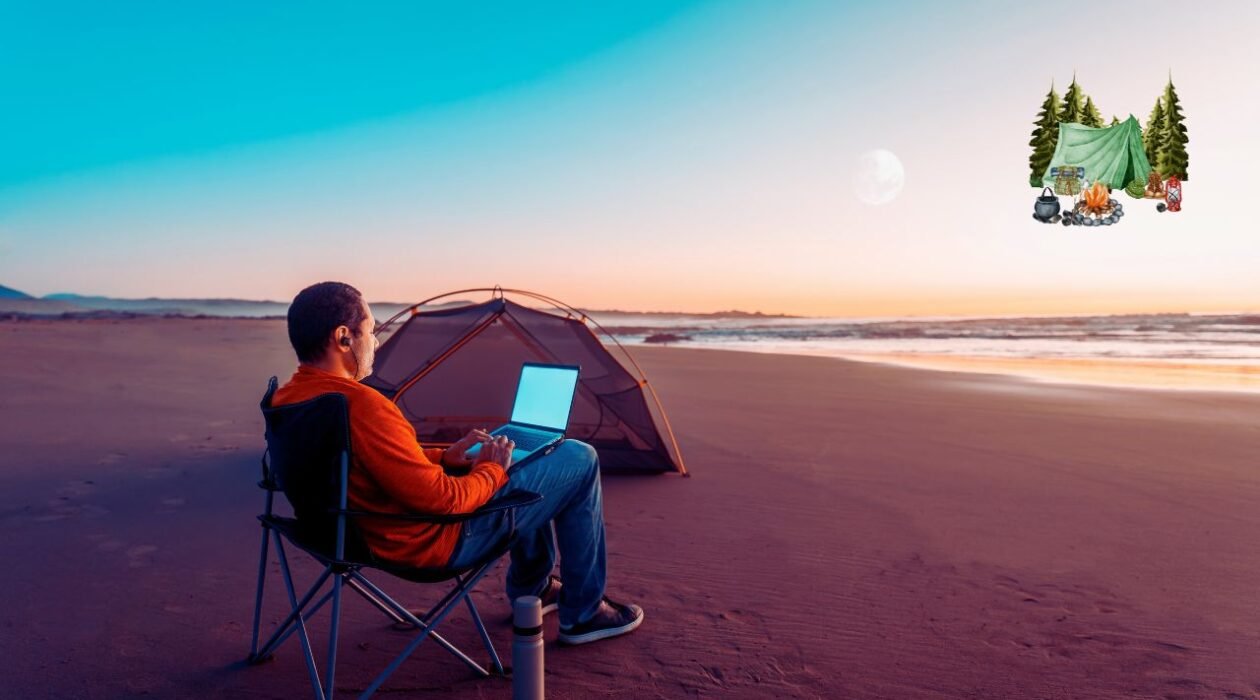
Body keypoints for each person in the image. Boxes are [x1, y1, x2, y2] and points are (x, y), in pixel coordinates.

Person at [270, 281, 643, 645]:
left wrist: (445, 458)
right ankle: (583, 613)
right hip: (428, 542)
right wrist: (492, 469)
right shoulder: (362, 405)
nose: (377, 341)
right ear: (343, 338)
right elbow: (444, 501)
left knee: (520, 460)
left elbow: (362, 464)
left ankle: (536, 587)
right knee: (578, 456)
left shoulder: (288, 399)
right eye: (371, 330)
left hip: (343, 535)